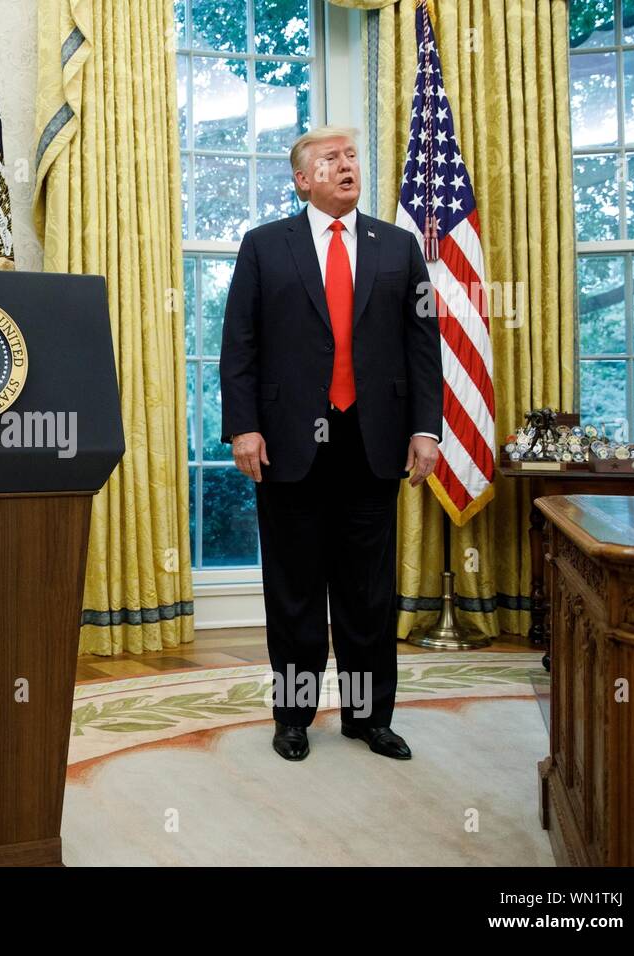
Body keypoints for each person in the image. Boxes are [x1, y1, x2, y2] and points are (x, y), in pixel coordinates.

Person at [219, 126, 441, 762]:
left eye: (351, 157)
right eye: (331, 159)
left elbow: (424, 347)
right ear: (302, 179)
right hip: (288, 444)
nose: (347, 166)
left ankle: (369, 719)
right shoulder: (264, 247)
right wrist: (244, 426)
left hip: (372, 443)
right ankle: (293, 717)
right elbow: (241, 346)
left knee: (367, 592)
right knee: (293, 591)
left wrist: (426, 429)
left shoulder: (399, 247)